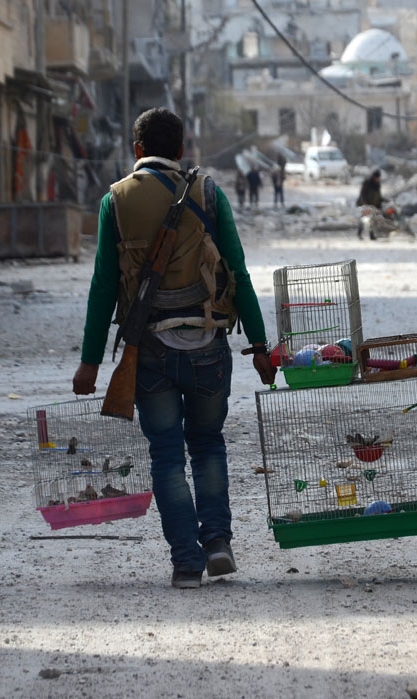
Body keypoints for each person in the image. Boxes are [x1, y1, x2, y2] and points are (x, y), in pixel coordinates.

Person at [73, 107, 276, 590]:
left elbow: (103, 286)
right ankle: (218, 543)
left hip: (151, 351)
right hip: (208, 344)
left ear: (136, 149)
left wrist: (90, 362)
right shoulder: (208, 192)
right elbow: (239, 272)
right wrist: (262, 345)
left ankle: (186, 561)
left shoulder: (115, 201)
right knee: (207, 444)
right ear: (181, 149)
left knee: (165, 454)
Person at [356, 169, 383, 239]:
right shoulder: (367, 183)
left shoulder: (377, 184)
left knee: (373, 221)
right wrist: (365, 203)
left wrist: (380, 204)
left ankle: (372, 235)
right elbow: (362, 194)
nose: (377, 179)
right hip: (366, 204)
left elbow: (378, 195)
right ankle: (359, 233)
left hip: (374, 205)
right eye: (376, 178)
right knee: (364, 219)